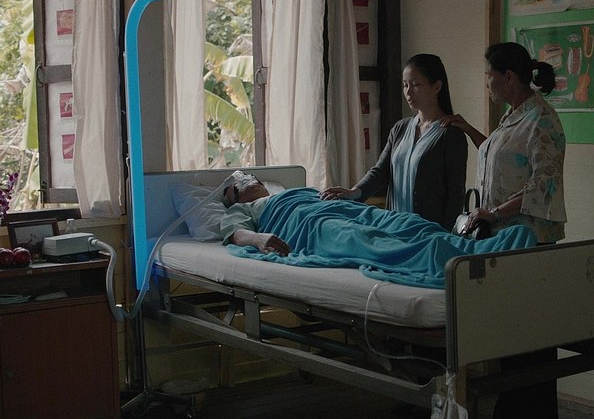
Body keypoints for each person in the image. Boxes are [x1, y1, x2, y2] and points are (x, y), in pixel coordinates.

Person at [442, 41, 567, 418]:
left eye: (489, 76)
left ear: (508, 77)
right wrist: (468, 129)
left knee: (532, 338)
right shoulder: (514, 115)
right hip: (504, 239)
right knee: (512, 334)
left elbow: (543, 184)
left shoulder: (542, 120)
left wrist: (493, 213)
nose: (487, 84)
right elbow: (497, 157)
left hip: (530, 240)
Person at [219, 172, 537, 289]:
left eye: (249, 177)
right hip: (311, 226)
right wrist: (260, 239)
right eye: (237, 185)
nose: (245, 180)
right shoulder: (244, 210)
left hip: (344, 208)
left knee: (408, 223)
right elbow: (237, 235)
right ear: (233, 197)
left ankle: (474, 248)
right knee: (361, 239)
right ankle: (445, 260)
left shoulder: (294, 189)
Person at [320, 54, 467, 231]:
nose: (408, 92)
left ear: (437, 86)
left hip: (428, 232)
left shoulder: (450, 134)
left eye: (415, 84)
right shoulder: (400, 128)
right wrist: (354, 192)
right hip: (395, 227)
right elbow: (380, 171)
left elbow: (455, 194)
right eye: (405, 85)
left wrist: (445, 234)